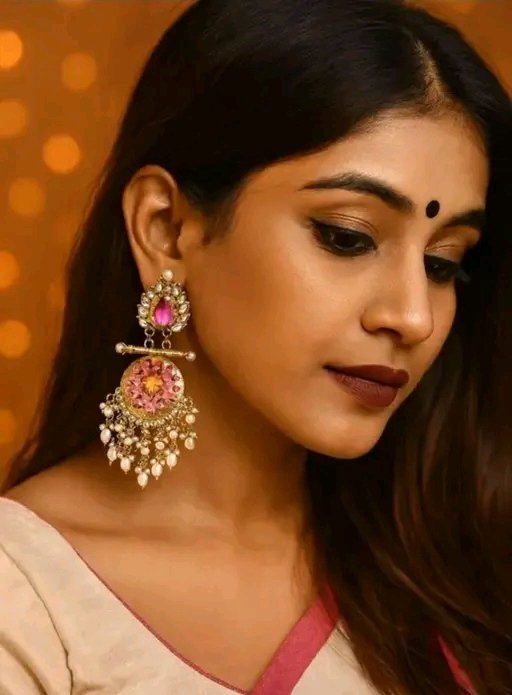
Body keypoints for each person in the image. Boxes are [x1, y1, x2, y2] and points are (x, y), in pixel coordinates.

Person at [1, 0, 511, 692]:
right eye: (347, 236)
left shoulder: (460, 573)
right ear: (167, 230)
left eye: (444, 262)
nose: (413, 316)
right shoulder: (28, 594)